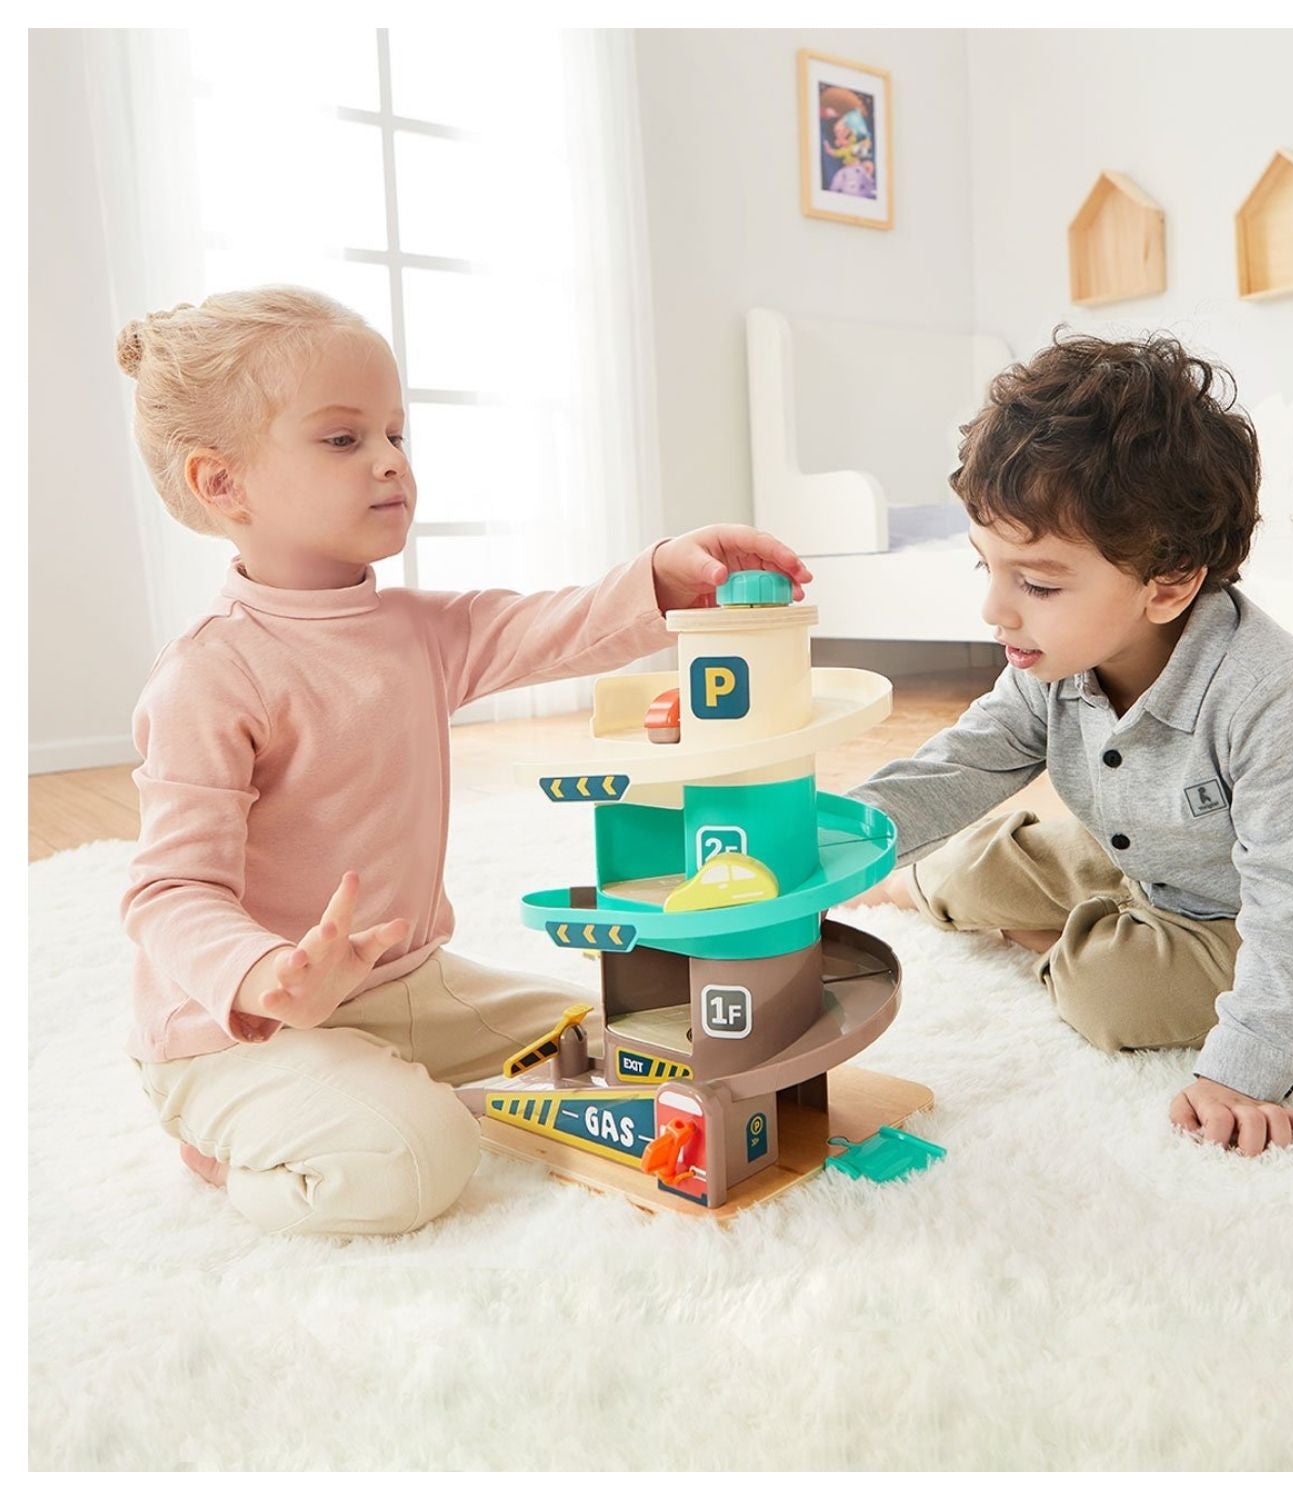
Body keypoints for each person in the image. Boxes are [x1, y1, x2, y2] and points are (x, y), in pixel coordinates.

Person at [116, 285, 811, 1234]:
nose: (390, 461)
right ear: (220, 483)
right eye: (343, 438)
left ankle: (391, 1083)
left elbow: (545, 627)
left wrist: (661, 577)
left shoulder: (415, 630)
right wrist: (264, 970)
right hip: (241, 1031)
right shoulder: (210, 673)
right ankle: (230, 1152)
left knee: (635, 1047)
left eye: (396, 434)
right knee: (415, 1160)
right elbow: (168, 892)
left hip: (406, 988)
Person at [843, 330, 1293, 1157]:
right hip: (1140, 866)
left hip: (1249, 921)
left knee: (1110, 994)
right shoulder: (1051, 664)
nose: (995, 610)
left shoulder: (1272, 695)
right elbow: (959, 764)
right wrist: (827, 843)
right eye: (986, 567)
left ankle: (1058, 945)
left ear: (1168, 583)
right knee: (968, 863)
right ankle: (937, 894)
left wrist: (1246, 1076)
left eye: (1037, 583)